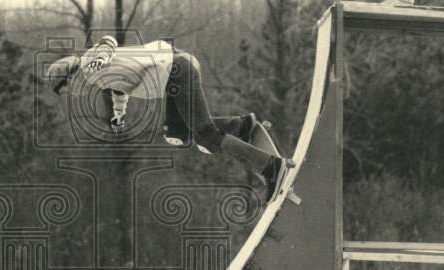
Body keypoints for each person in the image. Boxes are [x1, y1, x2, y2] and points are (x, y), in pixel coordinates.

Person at [46, 35, 292, 203]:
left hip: (177, 72)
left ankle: (271, 167)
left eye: (66, 88)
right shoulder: (97, 77)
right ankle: (242, 126)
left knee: (207, 137)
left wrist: (100, 57)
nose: (70, 93)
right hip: (175, 71)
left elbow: (107, 42)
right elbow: (120, 87)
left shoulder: (90, 66)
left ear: (68, 76)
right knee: (177, 132)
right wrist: (118, 113)